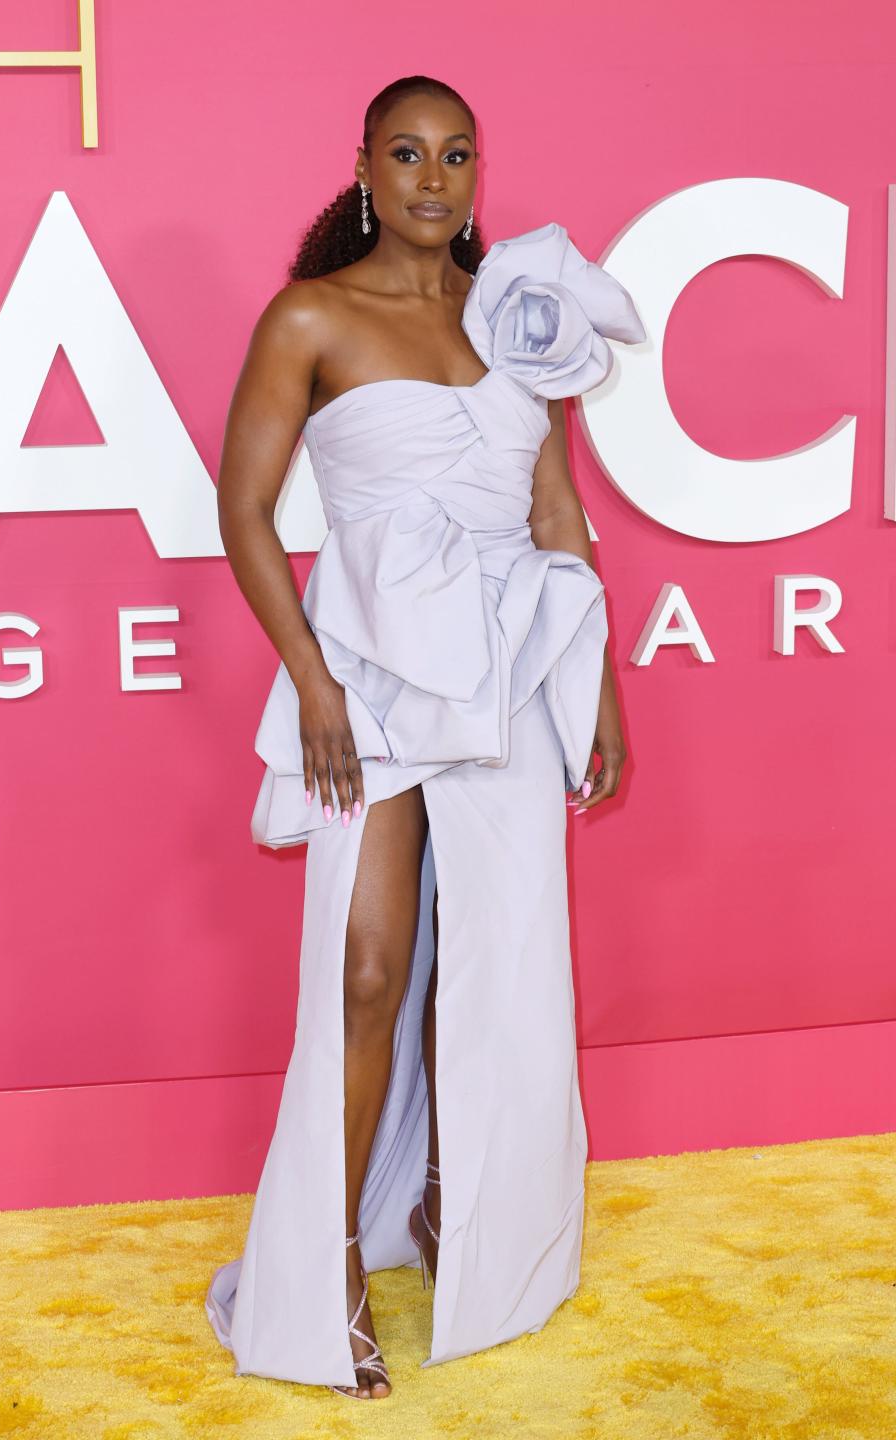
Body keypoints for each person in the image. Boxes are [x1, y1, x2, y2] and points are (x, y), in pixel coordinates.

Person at [205, 74, 646, 1401]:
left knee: (493, 963)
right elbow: (243, 508)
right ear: (364, 168)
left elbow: (555, 510)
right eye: (406, 153)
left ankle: (468, 1215)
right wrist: (315, 685)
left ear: (475, 174)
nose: (433, 178)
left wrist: (601, 686)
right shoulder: (311, 317)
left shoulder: (521, 319)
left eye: (456, 155)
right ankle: (324, 1261)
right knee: (370, 970)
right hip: (375, 682)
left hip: (511, 675)